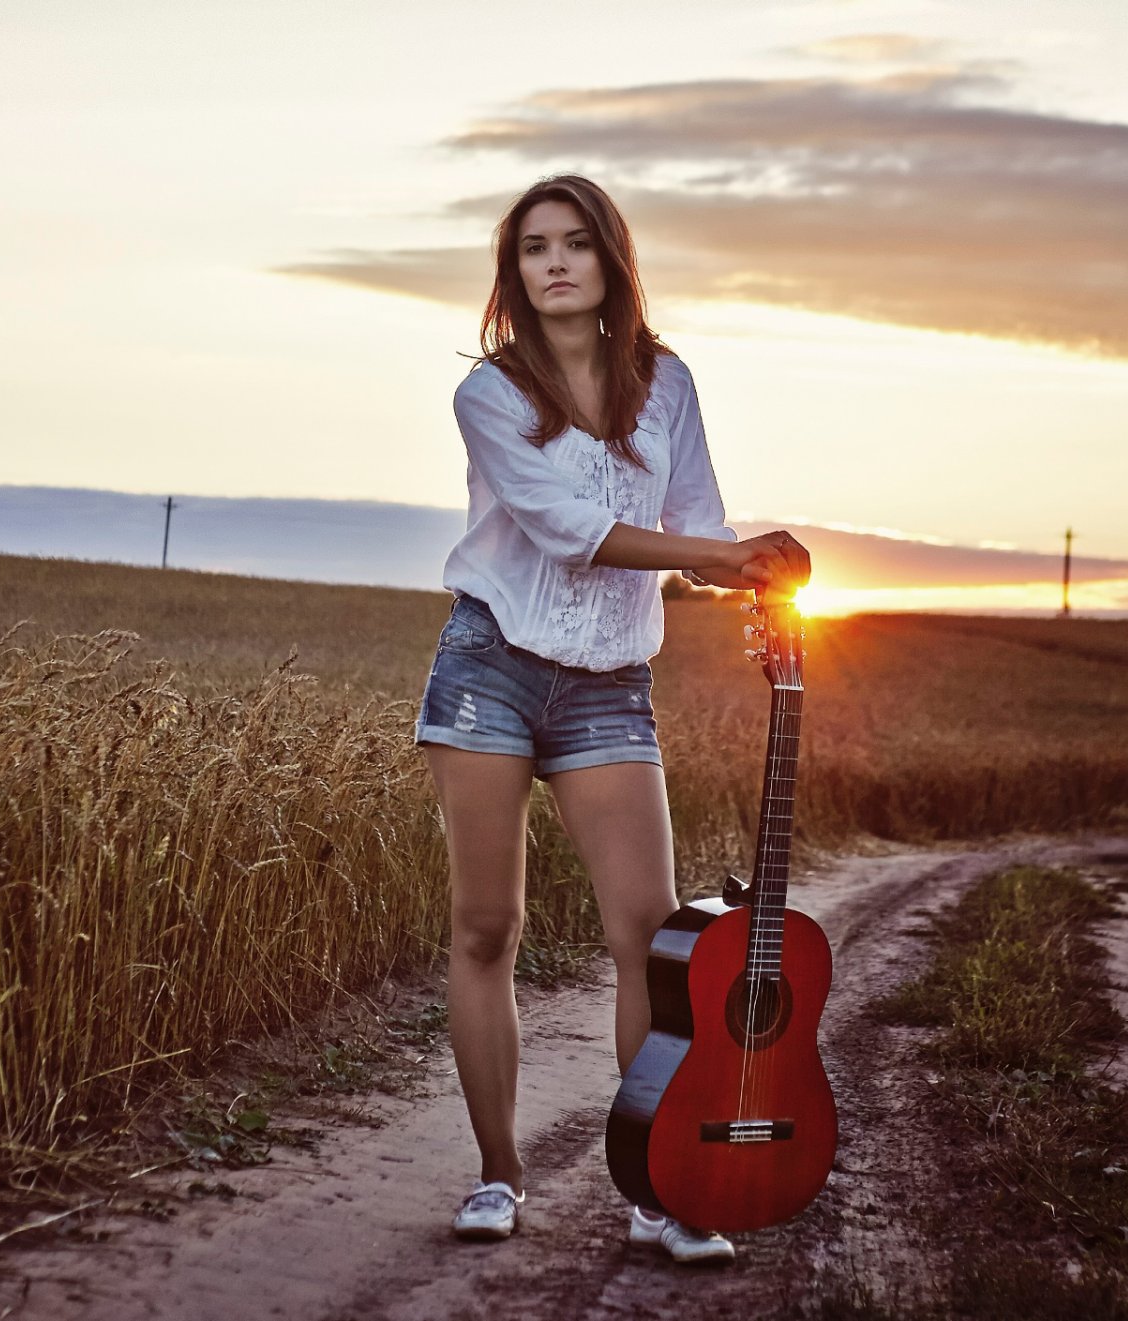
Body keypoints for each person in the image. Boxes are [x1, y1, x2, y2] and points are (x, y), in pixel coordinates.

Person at [412, 174, 810, 1261]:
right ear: (514, 271)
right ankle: (499, 1176)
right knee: (487, 927)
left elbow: (698, 524)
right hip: (490, 669)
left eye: (575, 244)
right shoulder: (489, 394)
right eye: (533, 246)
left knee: (654, 941)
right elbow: (561, 525)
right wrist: (712, 556)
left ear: (609, 262)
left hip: (607, 688)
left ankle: (658, 1188)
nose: (553, 263)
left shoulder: (664, 383)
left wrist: (753, 571)